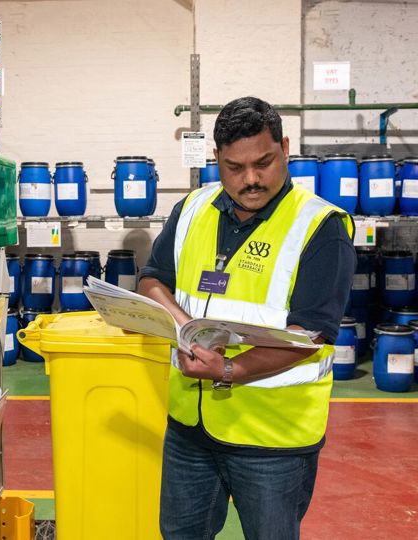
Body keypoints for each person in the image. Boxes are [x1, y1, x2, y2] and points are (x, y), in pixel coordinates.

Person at [138, 96, 356, 540]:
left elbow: (311, 333)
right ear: (216, 159)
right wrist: (182, 324)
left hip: (273, 441)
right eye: (235, 168)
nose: (251, 179)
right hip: (190, 428)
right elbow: (152, 279)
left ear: (285, 149)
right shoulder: (192, 210)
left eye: (264, 162)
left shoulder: (320, 228)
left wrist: (230, 368)